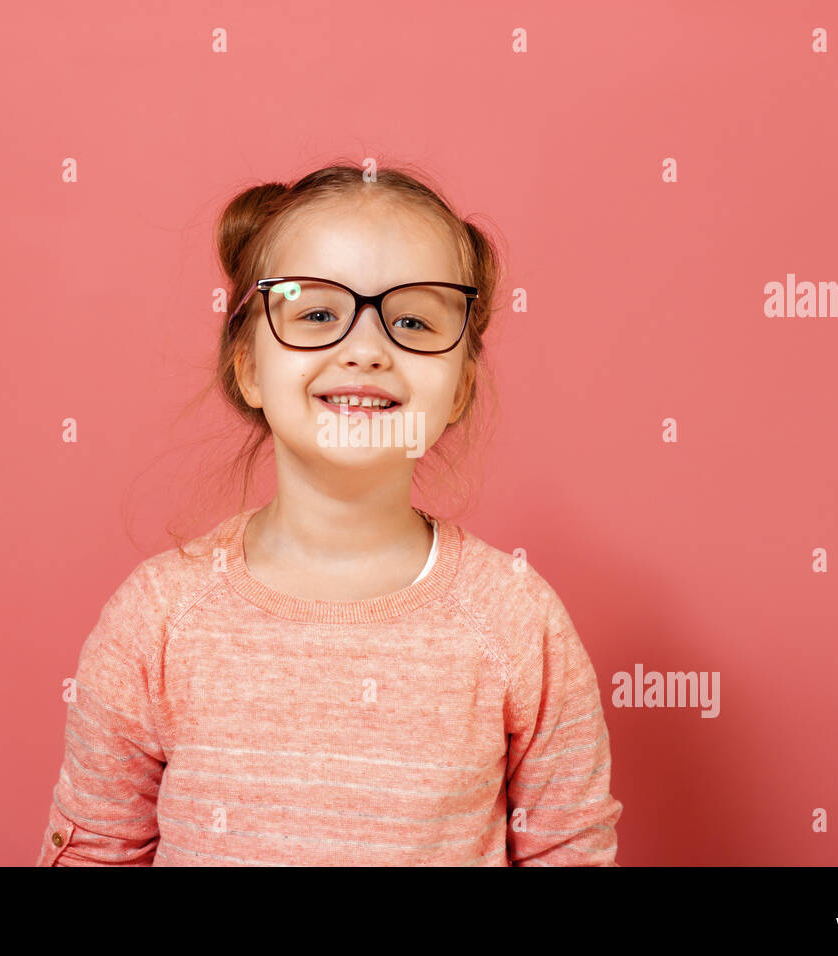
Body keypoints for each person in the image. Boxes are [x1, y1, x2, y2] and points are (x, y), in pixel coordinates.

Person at [34, 163, 622, 866]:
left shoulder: (516, 619)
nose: (366, 349)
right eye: (316, 314)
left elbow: (570, 849)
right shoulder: (156, 619)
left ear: (461, 386)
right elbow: (94, 849)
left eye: (412, 320)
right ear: (248, 366)